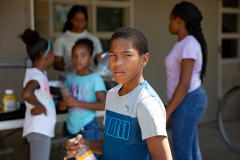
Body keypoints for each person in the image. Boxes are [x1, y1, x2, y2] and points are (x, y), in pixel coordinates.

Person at [63, 27, 172, 160]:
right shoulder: (112, 95)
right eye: (113, 55)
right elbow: (113, 145)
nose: (117, 62)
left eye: (127, 55)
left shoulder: (146, 102)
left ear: (144, 59)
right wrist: (85, 144)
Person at [165, 1, 208, 160]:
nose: (168, 24)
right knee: (192, 152)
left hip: (189, 100)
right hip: (186, 101)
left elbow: (184, 85)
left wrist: (167, 112)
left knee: (182, 153)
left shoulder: (189, 44)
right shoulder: (184, 43)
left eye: (171, 19)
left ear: (179, 20)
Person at [58, 38, 106, 159]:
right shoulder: (69, 78)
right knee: (74, 157)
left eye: (83, 55)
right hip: (72, 126)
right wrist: (63, 104)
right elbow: (64, 102)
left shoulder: (95, 78)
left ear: (91, 59)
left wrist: (76, 102)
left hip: (88, 127)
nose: (78, 59)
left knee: (87, 158)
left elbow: (103, 104)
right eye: (75, 55)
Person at [21, 29, 56, 160]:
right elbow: (26, 93)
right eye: (52, 54)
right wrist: (40, 106)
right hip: (39, 129)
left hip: (41, 129)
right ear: (47, 56)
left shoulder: (39, 73)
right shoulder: (36, 75)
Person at [53, 5, 103, 79]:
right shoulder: (61, 39)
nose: (80, 23)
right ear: (70, 20)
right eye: (77, 20)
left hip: (89, 78)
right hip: (68, 77)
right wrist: (67, 66)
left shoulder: (94, 39)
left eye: (82, 20)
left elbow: (100, 62)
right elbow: (56, 63)